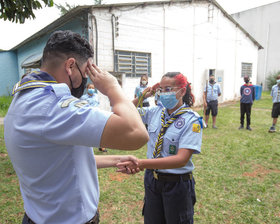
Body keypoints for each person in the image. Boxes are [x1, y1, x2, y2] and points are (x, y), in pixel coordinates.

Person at [4, 30, 148, 224]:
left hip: (39, 216)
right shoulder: (53, 106)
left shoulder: (25, 96)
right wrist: (113, 87)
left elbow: (61, 159)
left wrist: (117, 159)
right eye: (85, 73)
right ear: (70, 66)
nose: (86, 81)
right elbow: (136, 134)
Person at [120, 72, 203, 224]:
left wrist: (141, 163)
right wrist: (143, 96)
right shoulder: (155, 112)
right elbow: (123, 111)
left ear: (182, 91)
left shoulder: (192, 120)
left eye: (168, 89)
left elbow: (181, 160)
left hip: (177, 184)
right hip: (153, 180)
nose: (163, 94)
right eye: (161, 89)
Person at [81, 83, 107, 152]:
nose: (91, 89)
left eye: (93, 88)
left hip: (97, 115)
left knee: (100, 131)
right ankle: (87, 148)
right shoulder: (83, 98)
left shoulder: (96, 96)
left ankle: (102, 147)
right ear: (87, 89)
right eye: (90, 88)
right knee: (88, 132)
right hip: (88, 116)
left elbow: (97, 104)